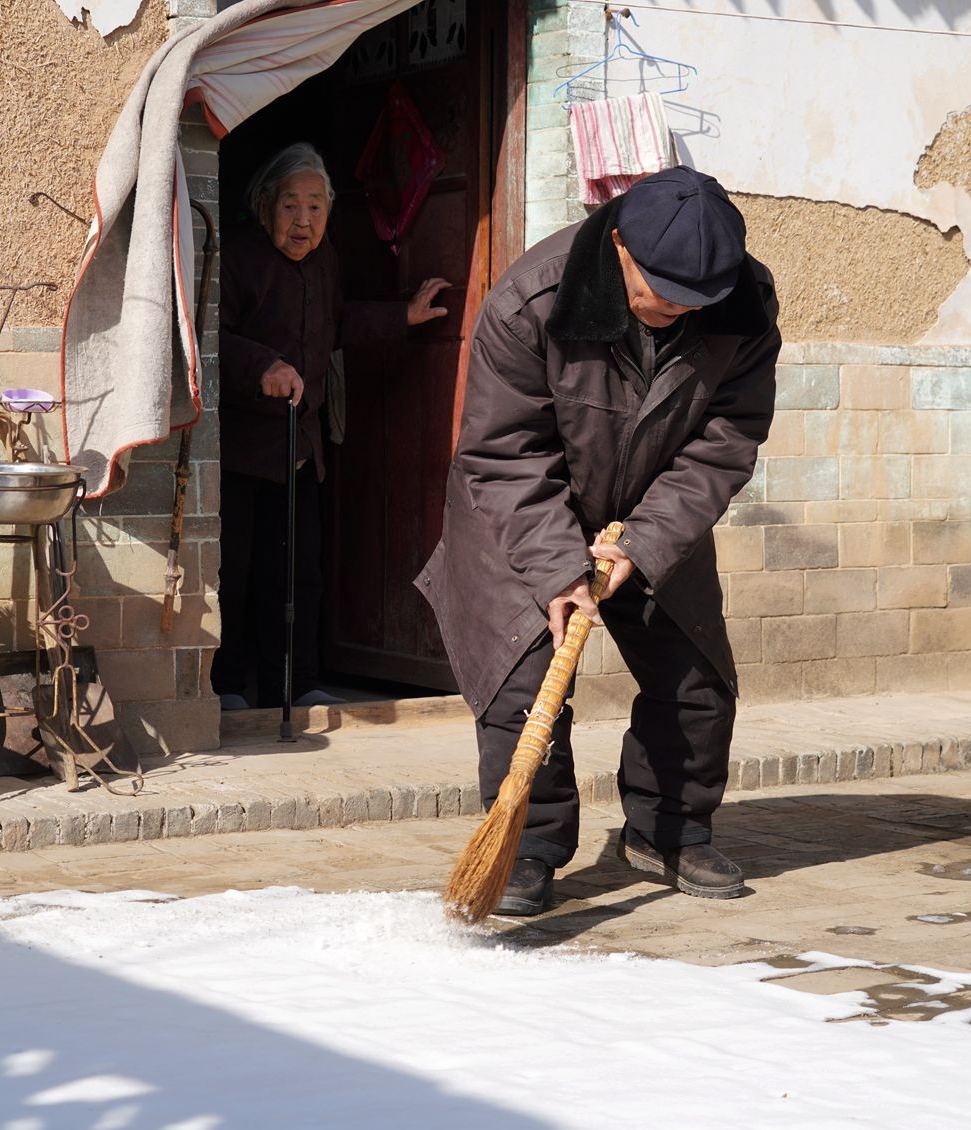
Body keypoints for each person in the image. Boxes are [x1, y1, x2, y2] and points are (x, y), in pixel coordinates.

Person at [416, 165, 781, 915]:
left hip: (654, 507)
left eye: (694, 300)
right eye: (660, 292)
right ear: (619, 249)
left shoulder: (744, 305)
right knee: (522, 687)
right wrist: (558, 567)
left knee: (695, 679)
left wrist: (643, 544)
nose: (675, 311)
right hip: (519, 509)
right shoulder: (532, 300)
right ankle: (530, 847)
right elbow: (503, 451)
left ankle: (668, 831)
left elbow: (726, 441)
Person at [214, 143, 449, 711]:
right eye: (291, 205)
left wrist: (402, 316)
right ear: (266, 204)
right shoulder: (238, 258)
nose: (303, 220)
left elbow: (336, 321)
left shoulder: (324, 261)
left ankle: (292, 684)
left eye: (316, 207)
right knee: (234, 572)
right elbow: (207, 339)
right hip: (242, 450)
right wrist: (261, 366)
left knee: (298, 572)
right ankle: (224, 683)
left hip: (300, 445)